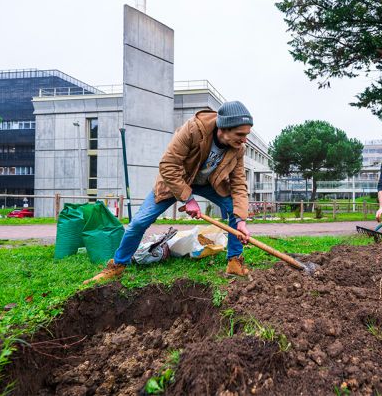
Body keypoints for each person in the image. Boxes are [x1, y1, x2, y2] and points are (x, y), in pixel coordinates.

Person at [84, 101, 254, 283]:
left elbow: (238, 184)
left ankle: (234, 262)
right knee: (139, 222)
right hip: (176, 180)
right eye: (240, 134)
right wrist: (188, 198)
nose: (244, 140)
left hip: (207, 183)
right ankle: (118, 265)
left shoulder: (238, 148)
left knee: (233, 209)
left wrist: (241, 220)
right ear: (223, 128)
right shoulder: (193, 129)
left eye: (246, 135)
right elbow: (168, 165)